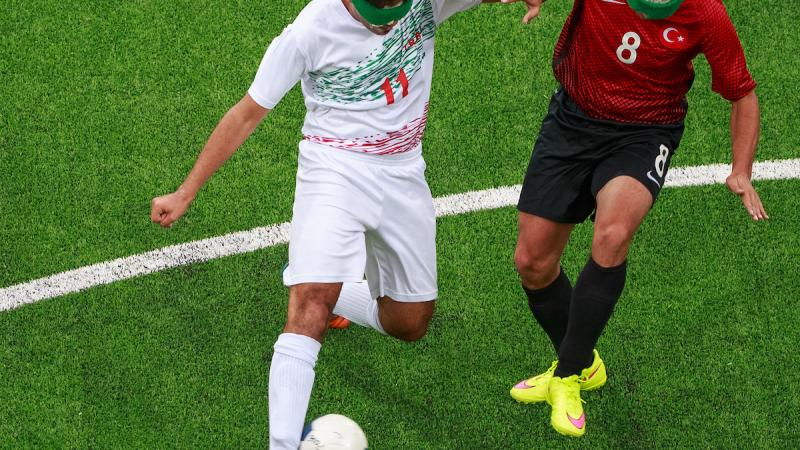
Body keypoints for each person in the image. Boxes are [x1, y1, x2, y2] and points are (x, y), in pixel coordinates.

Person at [150, 0, 522, 447]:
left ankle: (324, 284)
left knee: (410, 323)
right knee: (309, 306)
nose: (385, 18)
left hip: (403, 172)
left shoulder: (424, 3)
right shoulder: (311, 29)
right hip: (335, 167)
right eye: (372, 10)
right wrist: (185, 191)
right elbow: (247, 111)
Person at [507, 0, 767, 438]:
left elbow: (743, 92)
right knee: (532, 263)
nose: (648, 16)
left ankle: (566, 376)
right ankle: (586, 364)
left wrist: (741, 169)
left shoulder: (706, 13)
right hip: (571, 120)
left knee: (612, 235)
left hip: (645, 132)